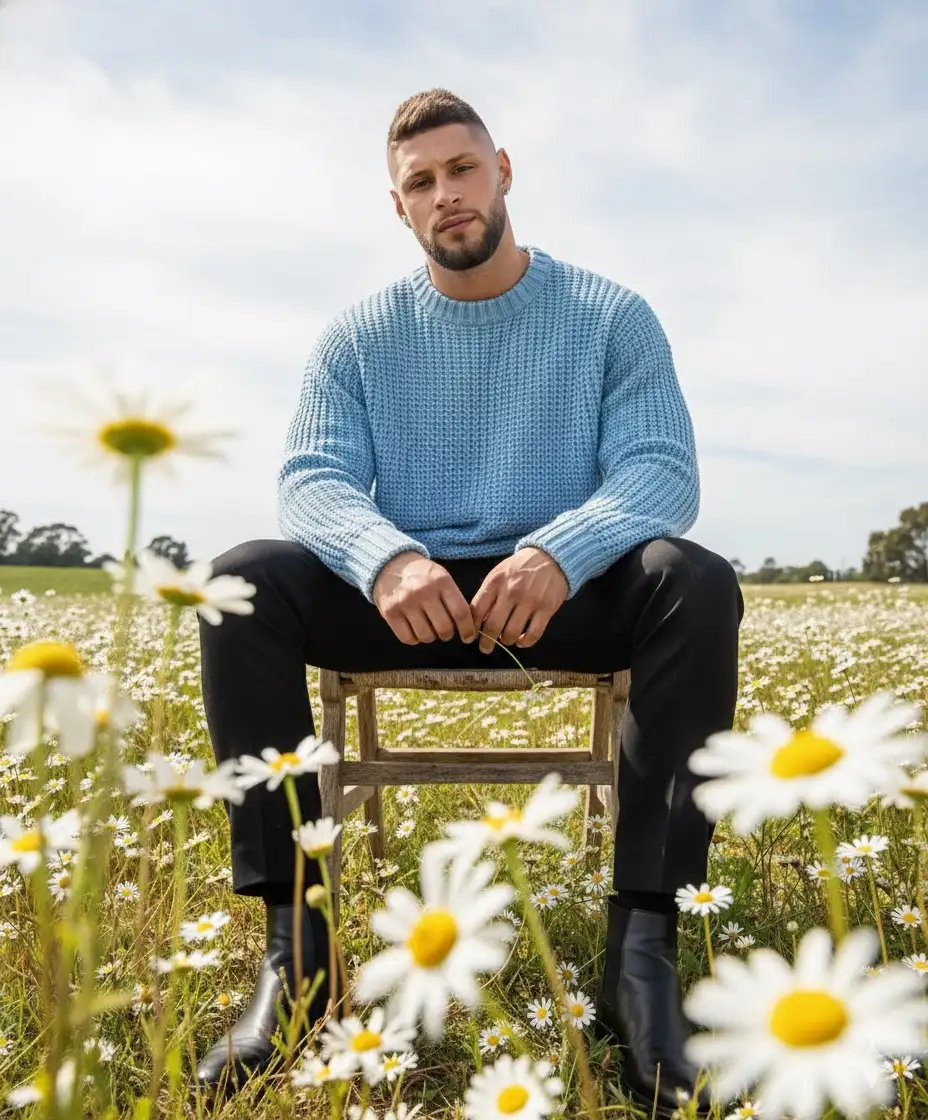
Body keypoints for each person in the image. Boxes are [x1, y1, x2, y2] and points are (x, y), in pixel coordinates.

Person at [192, 87, 744, 1112]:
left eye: (461, 168)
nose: (446, 194)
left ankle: (641, 955)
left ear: (503, 170)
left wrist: (559, 549)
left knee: (693, 580)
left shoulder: (611, 316)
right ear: (396, 208)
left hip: (561, 594)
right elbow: (312, 479)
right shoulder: (357, 337)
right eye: (420, 182)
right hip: (411, 594)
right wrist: (388, 558)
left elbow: (660, 472)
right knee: (241, 581)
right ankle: (296, 955)